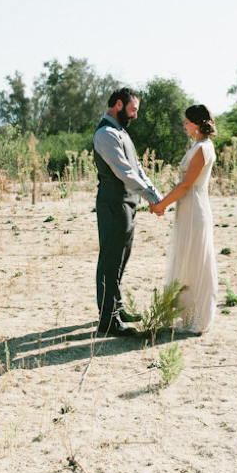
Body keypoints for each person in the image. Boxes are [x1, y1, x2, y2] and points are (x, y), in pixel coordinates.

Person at [93, 88, 163, 336]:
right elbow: (125, 172)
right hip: (113, 203)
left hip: (128, 202)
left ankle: (117, 309)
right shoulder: (106, 134)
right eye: (133, 110)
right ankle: (108, 320)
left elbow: (138, 169)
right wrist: (153, 198)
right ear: (119, 105)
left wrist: (154, 194)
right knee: (110, 261)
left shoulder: (121, 133)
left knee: (122, 259)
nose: (135, 115)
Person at [149, 105, 218, 334]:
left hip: (195, 206)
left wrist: (161, 204)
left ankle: (196, 316)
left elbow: (186, 184)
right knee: (188, 257)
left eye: (187, 122)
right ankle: (185, 312)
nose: (184, 125)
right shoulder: (199, 146)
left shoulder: (201, 148)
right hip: (189, 206)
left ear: (197, 123)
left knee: (195, 259)